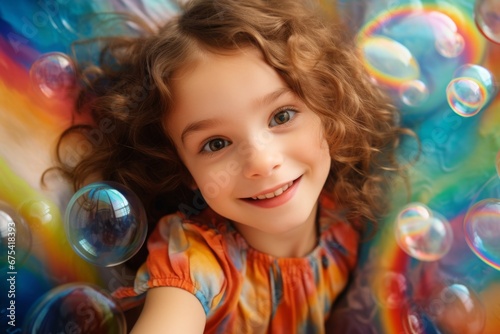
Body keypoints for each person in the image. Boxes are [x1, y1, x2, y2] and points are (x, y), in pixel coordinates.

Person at [50, 0, 406, 332]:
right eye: (216, 144)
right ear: (185, 171)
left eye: (282, 116)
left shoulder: (348, 211)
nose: (262, 162)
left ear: (328, 111)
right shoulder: (196, 261)